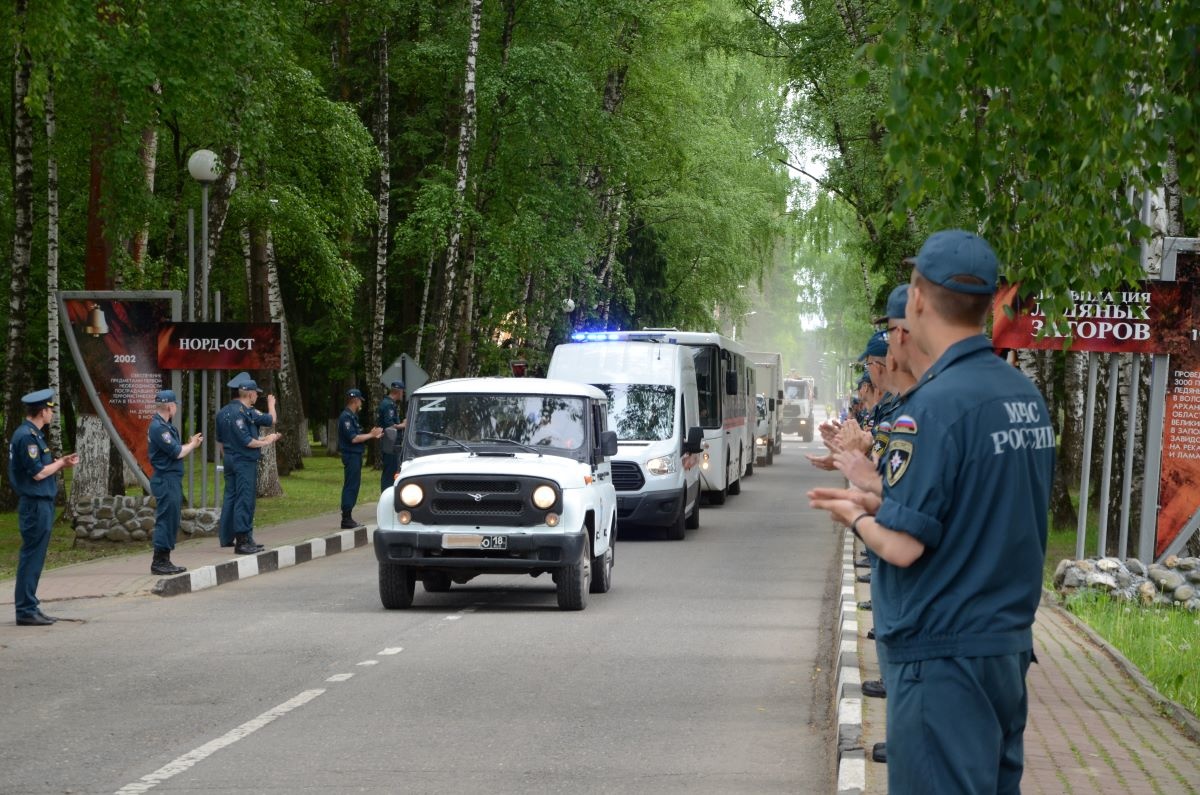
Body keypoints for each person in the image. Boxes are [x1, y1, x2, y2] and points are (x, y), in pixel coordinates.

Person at [810, 229, 1055, 793]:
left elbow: (902, 545)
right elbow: (979, 509)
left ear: (917, 298)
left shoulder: (934, 407)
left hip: (942, 659)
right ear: (990, 302)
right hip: (1004, 652)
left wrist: (854, 513)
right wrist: (875, 489)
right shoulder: (1024, 397)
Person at [8, 389, 79, 626]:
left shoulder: (33, 435)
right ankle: (26, 610)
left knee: (35, 557)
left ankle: (30, 606)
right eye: (50, 410)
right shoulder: (27, 437)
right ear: (42, 411)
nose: (51, 414)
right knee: (32, 557)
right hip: (35, 505)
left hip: (40, 504)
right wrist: (60, 463)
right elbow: (38, 473)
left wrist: (61, 463)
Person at [222, 374, 281, 554]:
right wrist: (267, 441)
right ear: (249, 394)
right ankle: (242, 541)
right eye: (256, 393)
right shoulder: (240, 413)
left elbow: (222, 441)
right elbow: (247, 441)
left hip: (232, 459)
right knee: (245, 499)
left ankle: (238, 537)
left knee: (234, 498)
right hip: (244, 460)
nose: (257, 396)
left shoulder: (226, 412)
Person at [147, 390, 203, 575]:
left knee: (171, 519)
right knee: (166, 519)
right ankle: (159, 561)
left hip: (170, 478)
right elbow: (177, 452)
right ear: (170, 407)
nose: (176, 408)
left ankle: (165, 559)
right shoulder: (159, 428)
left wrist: (187, 445)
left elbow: (177, 449)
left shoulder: (165, 425)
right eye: (175, 405)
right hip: (166, 479)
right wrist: (193, 445)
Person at [339, 388, 382, 528]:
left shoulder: (352, 416)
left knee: (354, 485)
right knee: (351, 485)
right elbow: (354, 438)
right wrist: (371, 435)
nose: (360, 404)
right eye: (360, 401)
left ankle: (348, 516)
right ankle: (346, 518)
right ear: (356, 401)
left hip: (355, 455)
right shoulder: (346, 417)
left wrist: (373, 435)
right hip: (351, 455)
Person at [377, 380, 407, 491]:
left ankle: (389, 491)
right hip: (389, 443)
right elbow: (389, 425)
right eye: (402, 392)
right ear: (398, 391)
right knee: (390, 471)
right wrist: (403, 425)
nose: (402, 394)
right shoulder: (388, 405)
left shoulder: (389, 403)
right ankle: (386, 493)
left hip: (391, 442)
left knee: (392, 470)